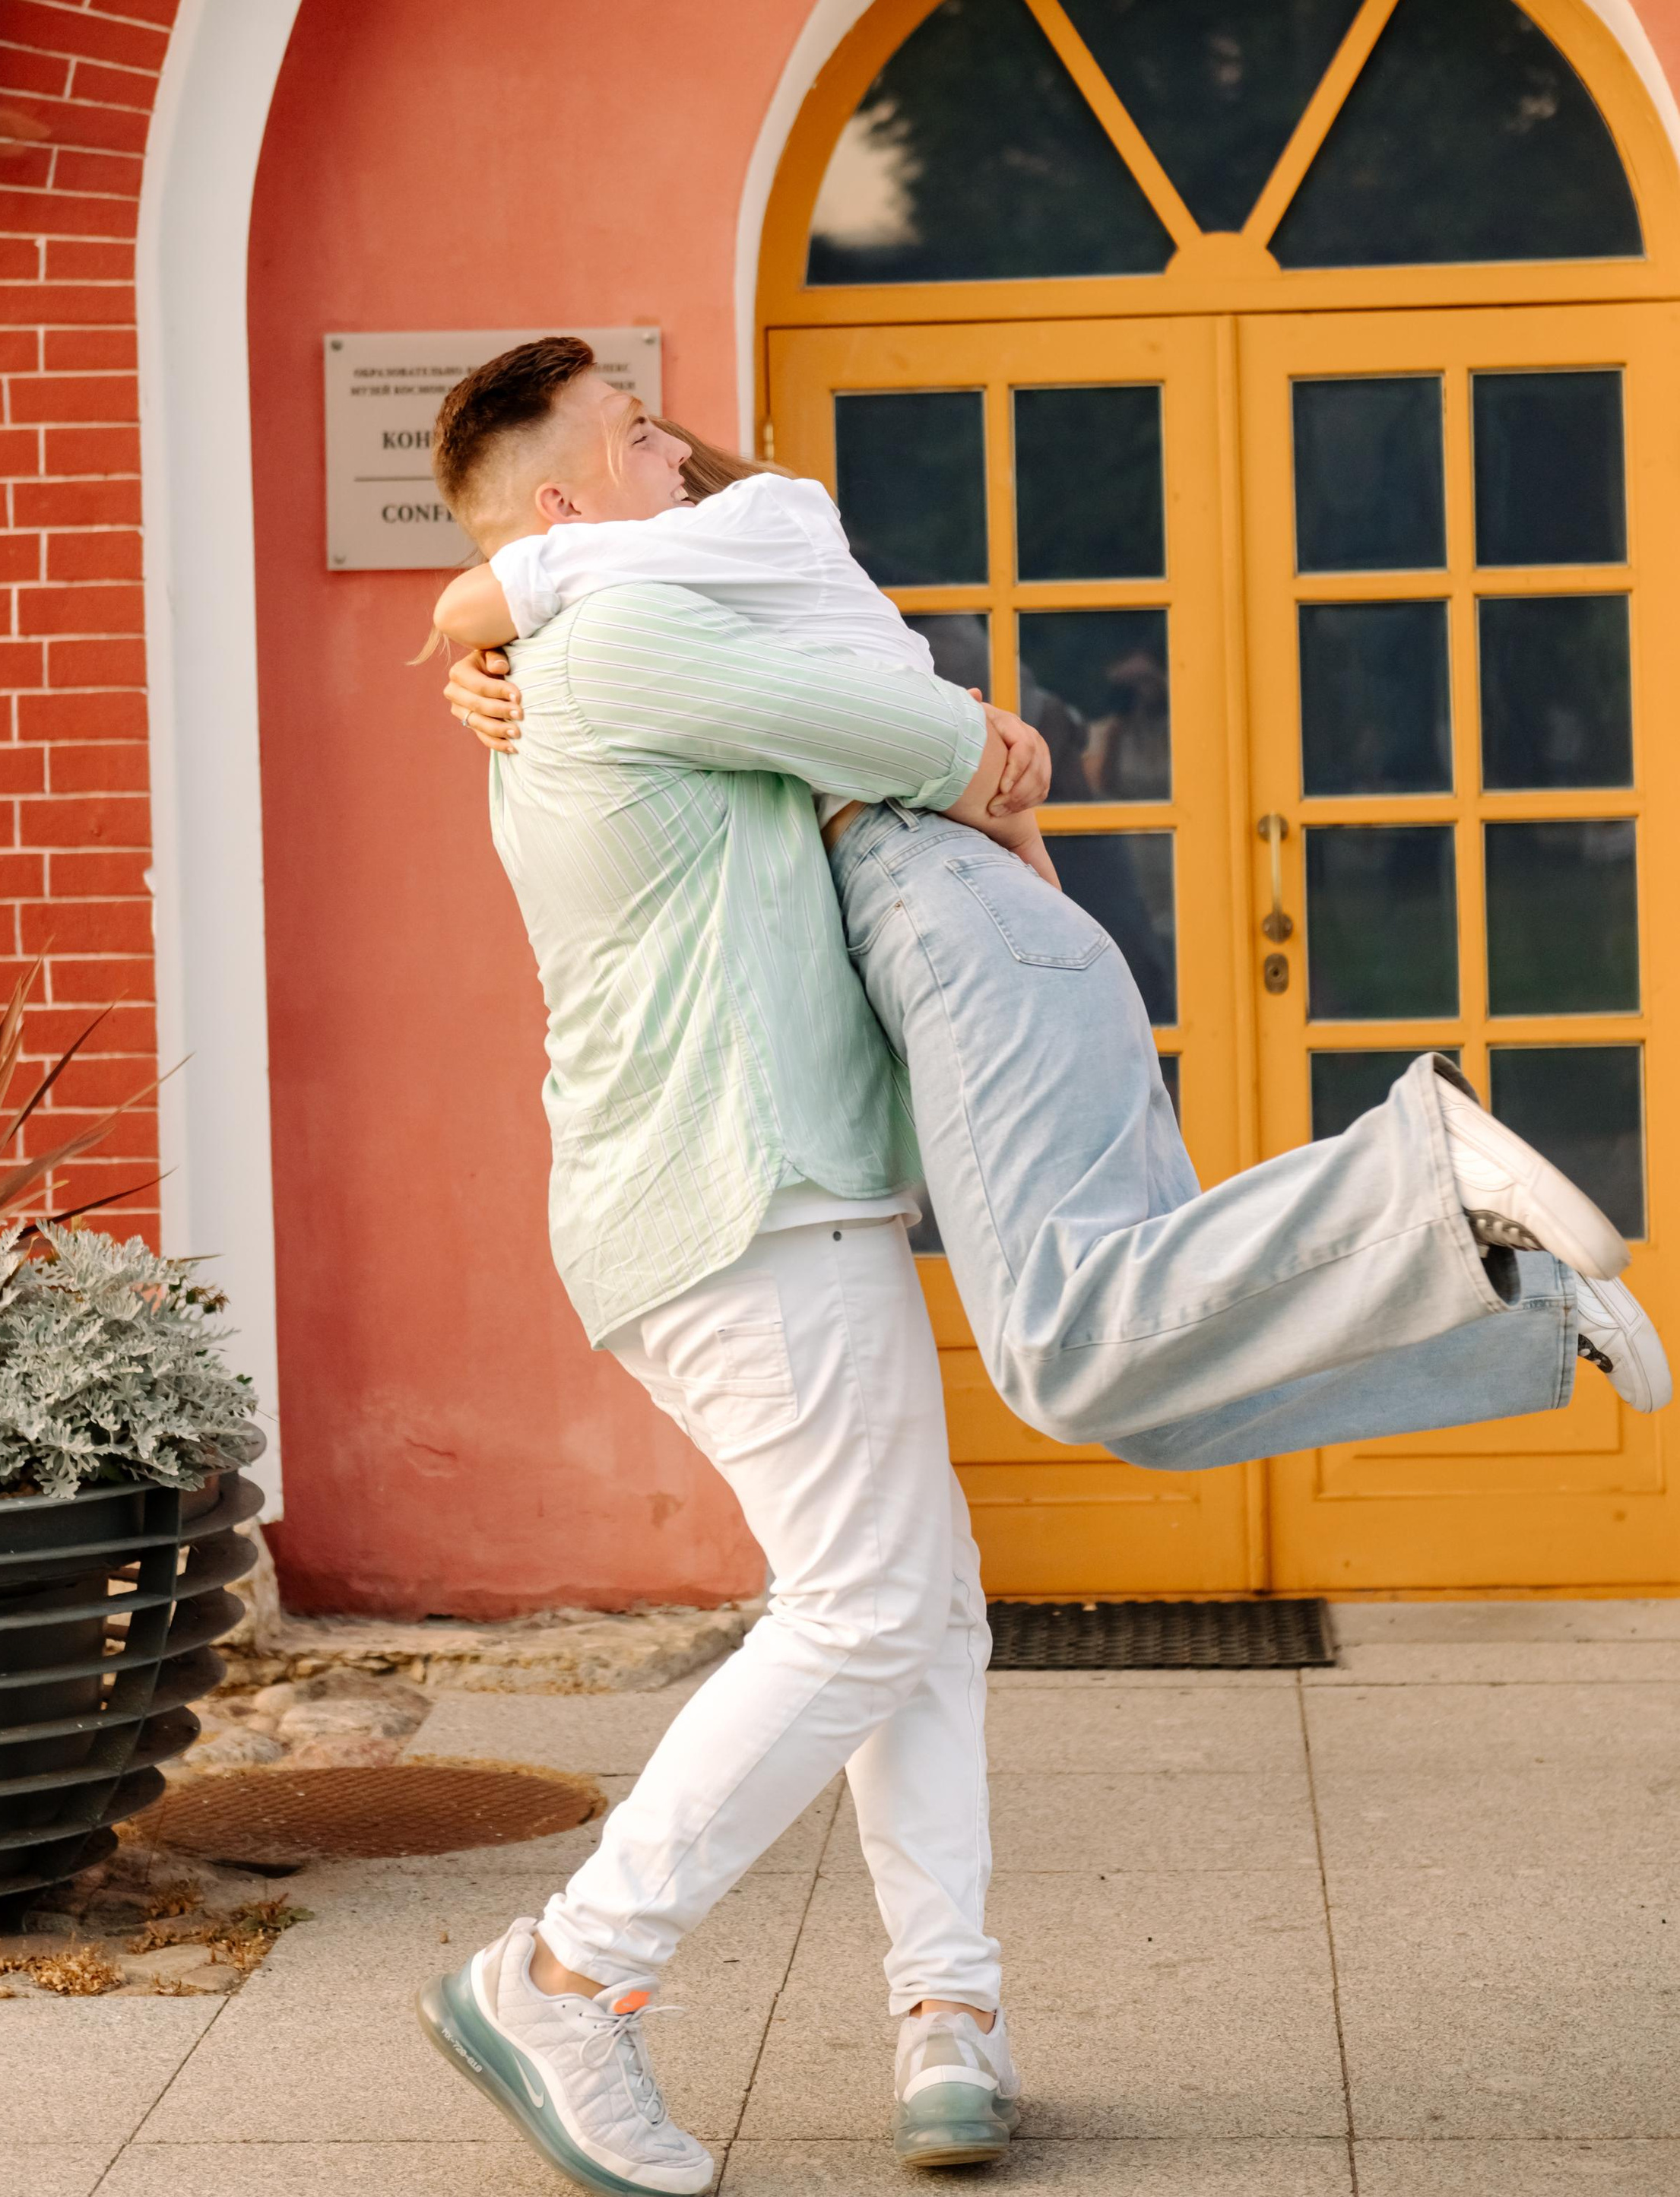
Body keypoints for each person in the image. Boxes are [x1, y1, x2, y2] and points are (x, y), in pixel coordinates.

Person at [417, 338, 1668, 2197]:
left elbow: (846, 711)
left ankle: (949, 2018)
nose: (668, 450)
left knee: (915, 1612)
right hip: (730, 1202)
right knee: (861, 1606)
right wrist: (983, 747)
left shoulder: (604, 634)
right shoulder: (607, 644)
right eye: (628, 436)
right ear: (557, 512)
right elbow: (919, 738)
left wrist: (482, 656)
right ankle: (570, 1970)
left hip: (774, 1193)